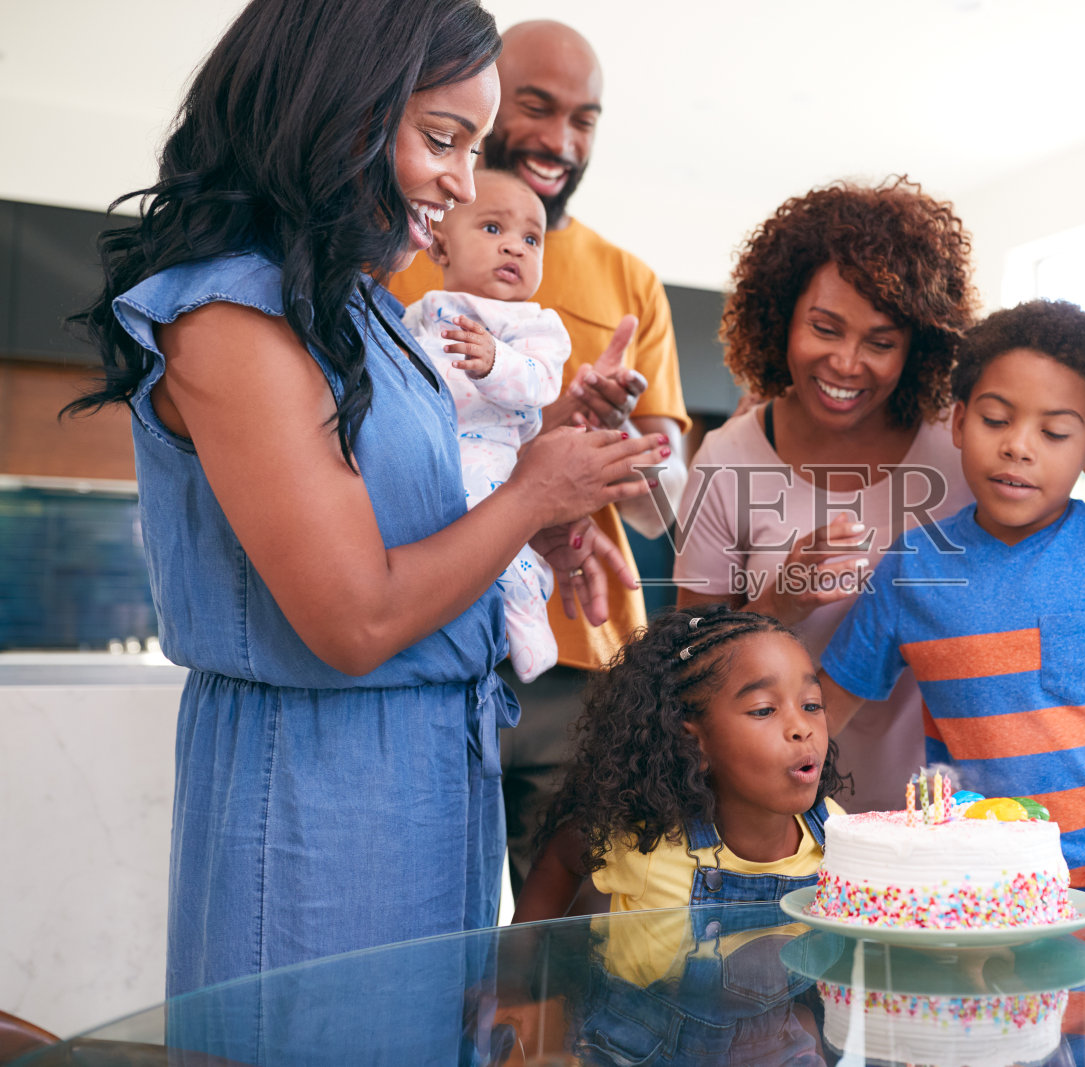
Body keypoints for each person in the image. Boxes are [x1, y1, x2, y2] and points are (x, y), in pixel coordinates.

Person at [65, 0, 664, 993]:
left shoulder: (358, 314)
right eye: (441, 137)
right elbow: (355, 614)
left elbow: (423, 524)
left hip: (428, 784)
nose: (463, 182)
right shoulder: (231, 318)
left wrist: (540, 528)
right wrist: (526, 495)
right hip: (318, 805)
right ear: (336, 110)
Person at [677, 179, 1085, 812]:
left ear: (918, 346)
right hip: (798, 806)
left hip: (959, 828)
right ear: (780, 316)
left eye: (881, 341)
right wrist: (777, 602)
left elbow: (1055, 552)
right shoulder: (727, 459)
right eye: (825, 328)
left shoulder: (968, 444)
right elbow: (689, 664)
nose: (847, 363)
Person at [387, 19, 692, 896]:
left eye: (584, 119)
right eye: (536, 107)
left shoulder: (630, 281)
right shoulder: (400, 256)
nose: (561, 141)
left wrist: (619, 442)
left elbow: (660, 509)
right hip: (428, 642)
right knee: (430, 916)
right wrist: (548, 416)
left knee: (581, 933)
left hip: (584, 667)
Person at [820, 300, 1085, 907]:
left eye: (1054, 432)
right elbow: (819, 716)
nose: (1019, 447)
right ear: (960, 422)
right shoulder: (914, 569)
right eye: (996, 420)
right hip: (983, 901)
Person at [403, 168, 609, 682]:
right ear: (440, 248)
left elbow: (539, 384)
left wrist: (496, 360)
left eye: (531, 239)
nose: (515, 247)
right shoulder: (420, 312)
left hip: (486, 452)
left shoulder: (534, 326)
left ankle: (525, 608)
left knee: (494, 538)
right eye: (493, 229)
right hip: (423, 450)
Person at [512, 608, 848, 921]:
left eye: (811, 705)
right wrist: (514, 977)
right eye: (763, 709)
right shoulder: (642, 845)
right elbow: (562, 856)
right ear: (692, 741)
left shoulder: (838, 835)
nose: (802, 728)